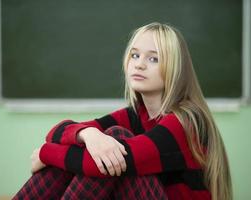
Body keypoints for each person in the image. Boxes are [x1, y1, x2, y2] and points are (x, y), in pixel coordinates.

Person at [13, 22, 232, 200]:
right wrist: (87, 135)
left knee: (113, 149)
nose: (139, 65)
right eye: (135, 55)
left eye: (153, 58)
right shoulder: (136, 115)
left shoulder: (187, 121)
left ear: (174, 67)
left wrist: (45, 153)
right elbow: (57, 133)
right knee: (100, 148)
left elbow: (98, 166)